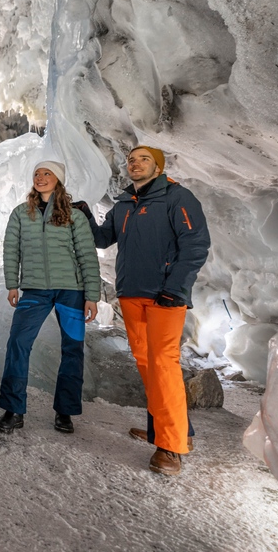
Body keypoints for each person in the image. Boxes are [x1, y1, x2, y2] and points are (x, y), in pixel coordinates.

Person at [88, 145, 210, 475]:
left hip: (165, 295)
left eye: (144, 159)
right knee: (146, 364)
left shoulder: (177, 198)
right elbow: (103, 239)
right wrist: (86, 216)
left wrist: (176, 286)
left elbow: (196, 245)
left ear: (157, 167)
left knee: (163, 363)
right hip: (131, 294)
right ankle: (168, 428)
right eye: (131, 159)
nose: (135, 162)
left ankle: (171, 448)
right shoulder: (124, 203)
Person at [0, 161, 101, 435]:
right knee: (18, 342)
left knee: (72, 349)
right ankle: (13, 409)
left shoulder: (74, 216)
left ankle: (64, 411)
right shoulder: (21, 214)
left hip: (71, 291)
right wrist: (12, 284)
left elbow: (87, 255)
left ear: (58, 180)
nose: (40, 178)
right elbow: (11, 250)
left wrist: (92, 295)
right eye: (37, 174)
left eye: (47, 174)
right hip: (34, 290)